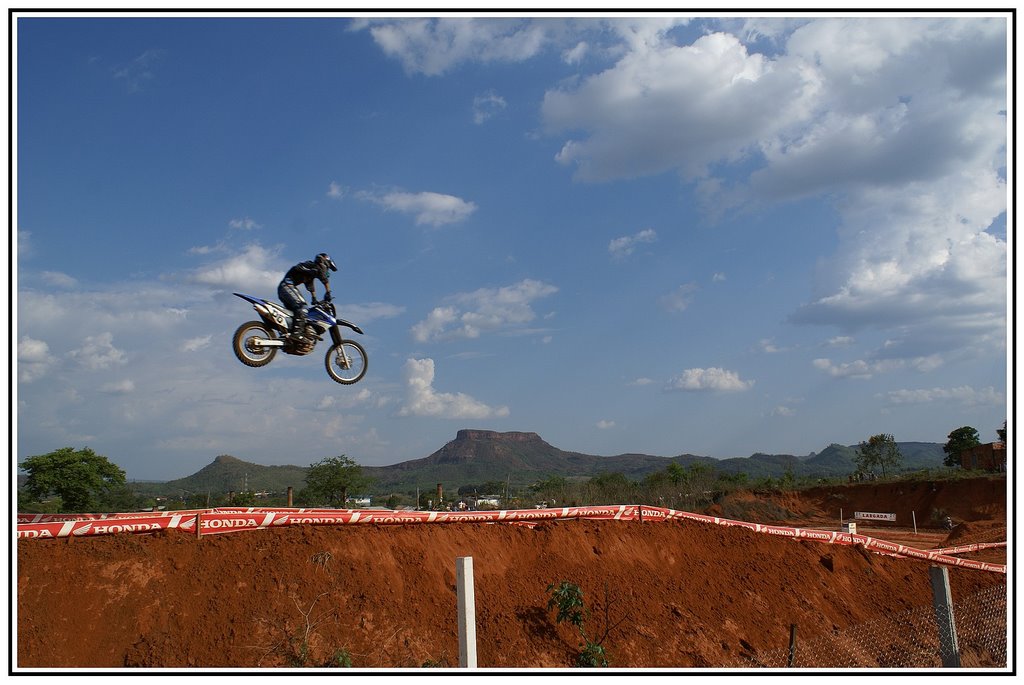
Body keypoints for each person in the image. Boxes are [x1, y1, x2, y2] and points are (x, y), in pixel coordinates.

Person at [278, 252, 337, 340]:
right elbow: (324, 278)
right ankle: (296, 334)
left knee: (294, 313)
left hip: (285, 288)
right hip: (287, 286)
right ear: (324, 262)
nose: (327, 270)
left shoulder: (311, 272)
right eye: (327, 267)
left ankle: (289, 334)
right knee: (302, 308)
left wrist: (314, 299)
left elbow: (311, 287)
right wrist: (328, 292)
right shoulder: (312, 266)